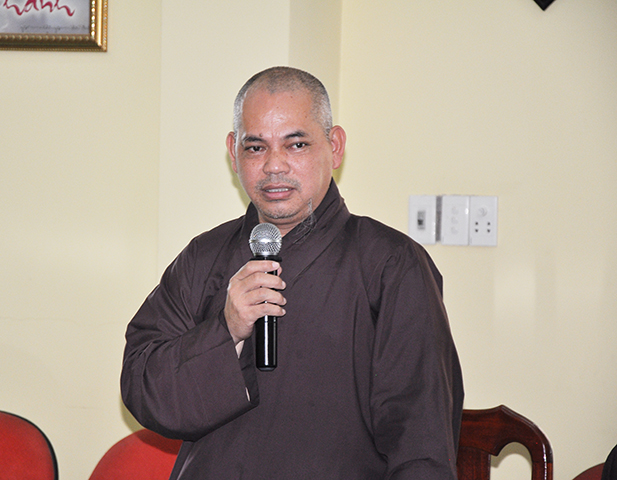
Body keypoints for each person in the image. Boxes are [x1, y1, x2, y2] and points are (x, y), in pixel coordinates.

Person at [121, 66, 464, 479]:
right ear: (233, 153)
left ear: (334, 147)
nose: (274, 166)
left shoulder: (390, 264)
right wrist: (226, 331)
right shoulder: (204, 257)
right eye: (255, 147)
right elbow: (143, 387)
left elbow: (422, 442)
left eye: (296, 144)